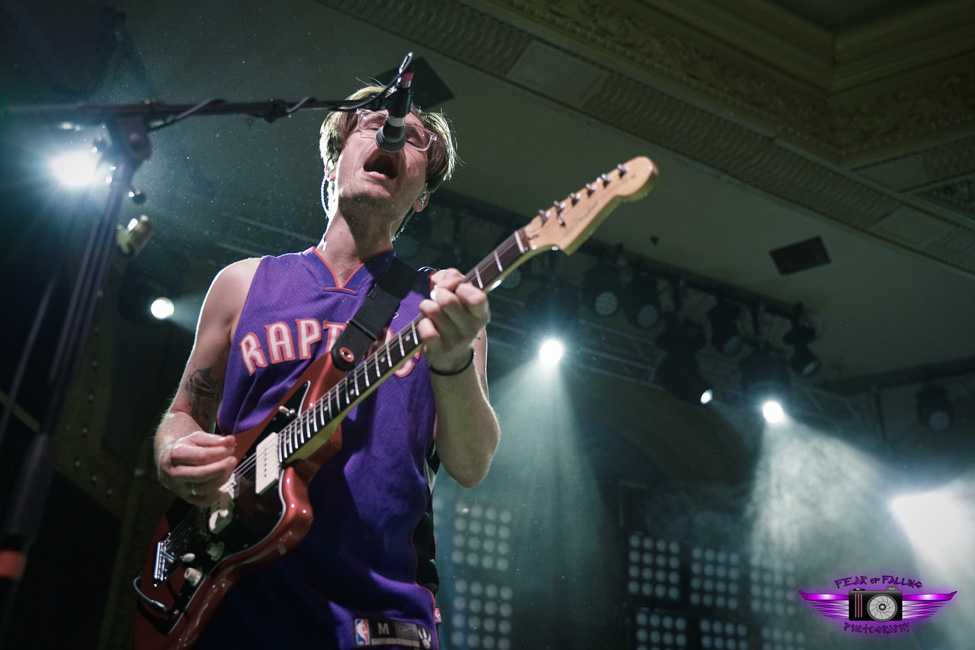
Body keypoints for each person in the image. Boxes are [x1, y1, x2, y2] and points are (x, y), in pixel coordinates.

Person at [151, 85, 500, 649]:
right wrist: (173, 453)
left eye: (413, 138)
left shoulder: (442, 303)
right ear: (335, 156)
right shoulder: (243, 284)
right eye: (371, 124)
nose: (391, 134)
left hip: (377, 615)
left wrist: (455, 358)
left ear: (421, 196)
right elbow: (185, 414)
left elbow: (471, 463)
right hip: (231, 593)